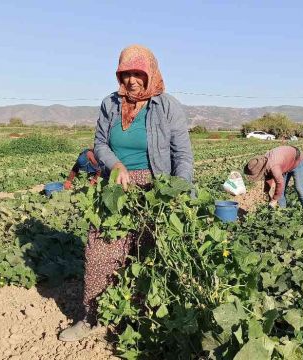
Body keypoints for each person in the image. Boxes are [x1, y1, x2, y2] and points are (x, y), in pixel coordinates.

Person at [58, 45, 194, 342]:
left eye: (138, 73)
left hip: (155, 188)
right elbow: (100, 144)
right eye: (126, 73)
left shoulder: (167, 107)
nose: (131, 80)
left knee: (146, 254)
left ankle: (137, 319)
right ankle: (91, 317)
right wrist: (116, 164)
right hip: (116, 185)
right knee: (100, 249)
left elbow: (182, 155)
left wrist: (178, 192)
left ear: (150, 74)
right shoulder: (110, 104)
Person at [243, 145, 303, 209]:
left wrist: (274, 200)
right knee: (280, 193)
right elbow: (268, 177)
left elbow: (280, 183)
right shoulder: (264, 162)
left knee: (299, 188)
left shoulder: (274, 167)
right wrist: (266, 191)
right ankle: (282, 212)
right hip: (285, 163)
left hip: (297, 160)